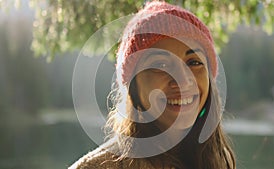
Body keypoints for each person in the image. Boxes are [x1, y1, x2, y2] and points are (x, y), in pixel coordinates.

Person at [69, 1, 236, 168]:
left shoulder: (220, 160)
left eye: (194, 62)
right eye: (161, 65)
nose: (183, 81)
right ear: (133, 87)